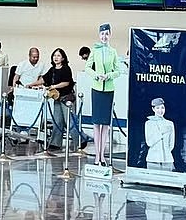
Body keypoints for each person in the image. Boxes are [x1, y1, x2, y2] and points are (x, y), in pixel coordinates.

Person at [29, 48, 84, 152]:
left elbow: (66, 82)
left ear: (63, 58)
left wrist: (54, 86)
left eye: (58, 56)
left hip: (66, 99)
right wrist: (31, 84)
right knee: (57, 121)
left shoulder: (66, 69)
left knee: (70, 122)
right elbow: (43, 79)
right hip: (57, 98)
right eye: (54, 55)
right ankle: (55, 143)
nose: (56, 58)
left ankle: (81, 140)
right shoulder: (52, 69)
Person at [85, 23, 123, 166]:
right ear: (98, 35)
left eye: (107, 34)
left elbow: (118, 70)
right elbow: (87, 67)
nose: (104, 36)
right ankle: (96, 155)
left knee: (105, 124)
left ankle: (102, 156)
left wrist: (109, 76)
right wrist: (96, 75)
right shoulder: (94, 50)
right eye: (102, 34)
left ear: (110, 35)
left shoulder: (113, 52)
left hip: (108, 89)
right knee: (96, 124)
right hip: (96, 89)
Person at [145, 97, 175, 172]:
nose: (160, 111)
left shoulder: (170, 124)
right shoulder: (149, 123)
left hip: (167, 159)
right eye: (157, 108)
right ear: (153, 109)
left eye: (162, 108)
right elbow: (149, 142)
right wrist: (161, 133)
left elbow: (171, 143)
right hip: (153, 158)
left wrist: (166, 152)